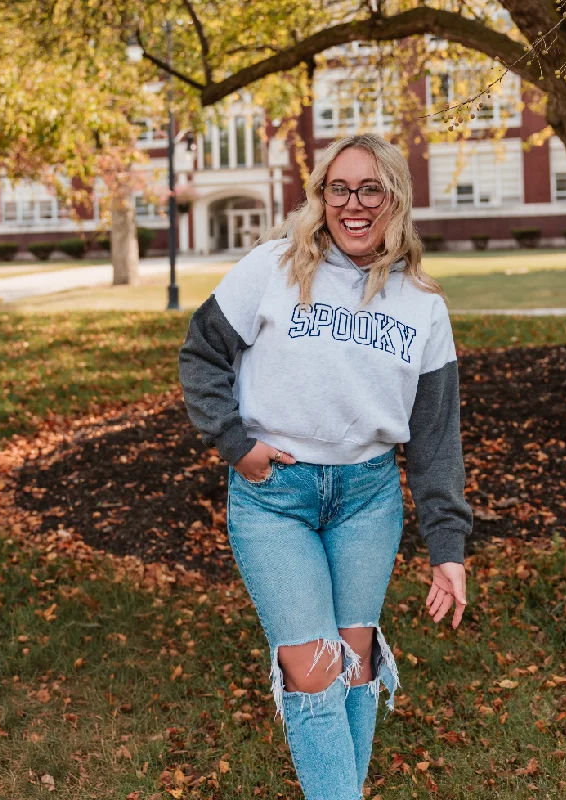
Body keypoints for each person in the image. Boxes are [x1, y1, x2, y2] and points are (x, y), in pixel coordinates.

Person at [178, 132, 473, 800]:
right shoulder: (273, 266)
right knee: (313, 668)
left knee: (356, 658)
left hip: (368, 499)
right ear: (320, 198)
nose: (353, 203)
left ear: (394, 198)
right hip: (274, 496)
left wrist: (446, 547)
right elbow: (201, 354)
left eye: (370, 188)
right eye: (338, 188)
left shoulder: (422, 305)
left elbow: (434, 437)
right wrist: (234, 442)